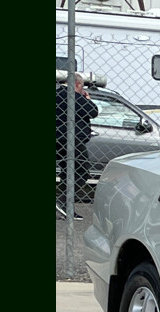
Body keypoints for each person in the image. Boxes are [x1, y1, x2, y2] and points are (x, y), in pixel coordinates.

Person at [56, 74, 98, 210]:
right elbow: (93, 111)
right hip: (72, 139)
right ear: (78, 84)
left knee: (67, 171)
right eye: (82, 87)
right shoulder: (74, 96)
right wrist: (88, 99)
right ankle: (62, 201)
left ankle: (65, 206)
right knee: (81, 170)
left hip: (59, 138)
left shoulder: (57, 94)